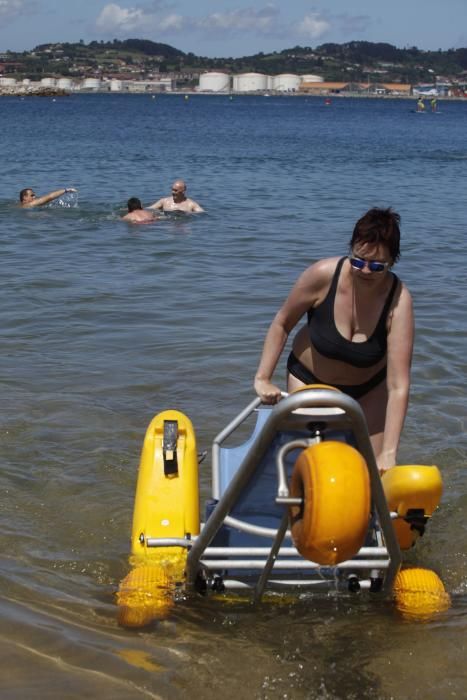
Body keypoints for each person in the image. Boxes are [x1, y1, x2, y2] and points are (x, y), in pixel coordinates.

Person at [254, 208, 414, 474]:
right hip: (309, 380)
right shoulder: (322, 275)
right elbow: (282, 323)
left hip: (367, 390)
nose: (364, 270)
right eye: (358, 260)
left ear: (392, 262)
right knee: (313, 467)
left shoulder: (399, 301)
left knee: (372, 474)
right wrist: (263, 378)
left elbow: (398, 385)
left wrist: (389, 452)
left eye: (376, 266)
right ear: (350, 250)